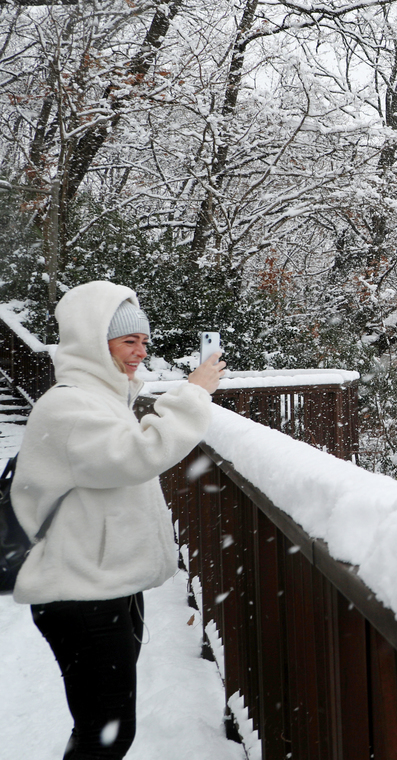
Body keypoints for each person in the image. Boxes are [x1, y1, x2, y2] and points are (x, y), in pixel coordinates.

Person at [10, 281, 224, 759]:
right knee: (105, 735)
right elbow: (138, 455)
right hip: (79, 595)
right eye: (129, 341)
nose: (140, 353)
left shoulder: (101, 399)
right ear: (92, 343)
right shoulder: (68, 406)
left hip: (103, 583)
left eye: (143, 341)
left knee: (100, 728)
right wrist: (193, 395)